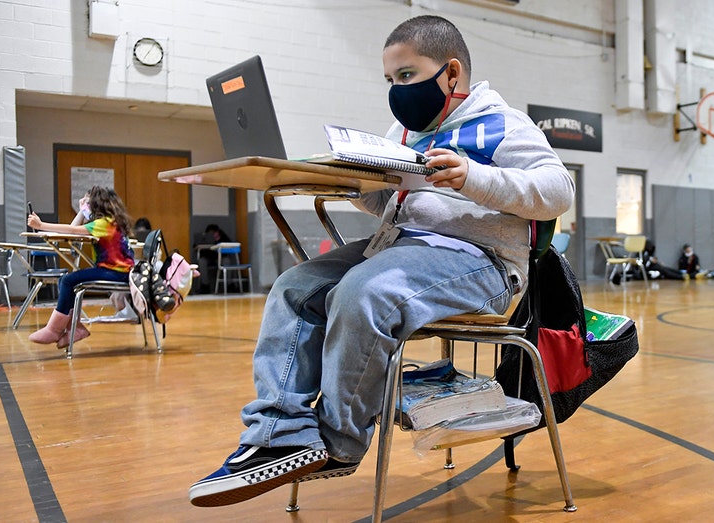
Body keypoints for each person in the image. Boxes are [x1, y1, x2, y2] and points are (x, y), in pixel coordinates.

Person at [188, 15, 573, 508]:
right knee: (294, 288)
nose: (396, 90)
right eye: (389, 80)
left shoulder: (503, 123)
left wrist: (473, 177)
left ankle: (337, 442)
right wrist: (357, 182)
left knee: (364, 291)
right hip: (401, 247)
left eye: (406, 76)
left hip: (484, 263)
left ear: (451, 74)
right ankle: (280, 432)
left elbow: (558, 190)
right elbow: (390, 203)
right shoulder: (407, 132)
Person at [26, 186, 135, 347]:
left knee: (69, 280)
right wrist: (82, 211)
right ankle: (74, 327)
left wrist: (41, 225)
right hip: (118, 271)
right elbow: (73, 230)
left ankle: (55, 329)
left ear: (95, 204)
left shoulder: (103, 224)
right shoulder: (110, 222)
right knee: (69, 280)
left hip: (116, 272)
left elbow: (71, 229)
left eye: (87, 201)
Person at [195, 224, 232, 293]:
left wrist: (218, 241)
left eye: (214, 232)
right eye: (210, 233)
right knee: (202, 261)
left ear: (218, 232)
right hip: (208, 258)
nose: (213, 234)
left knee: (226, 260)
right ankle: (205, 286)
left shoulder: (223, 237)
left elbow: (229, 244)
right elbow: (196, 246)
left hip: (220, 258)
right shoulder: (204, 238)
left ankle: (228, 286)